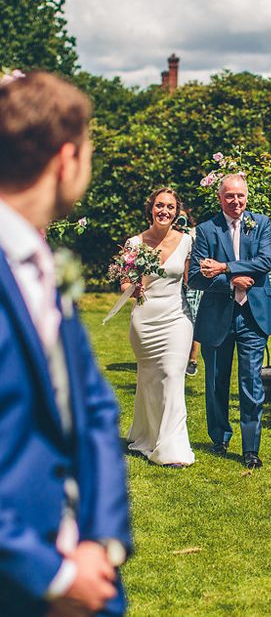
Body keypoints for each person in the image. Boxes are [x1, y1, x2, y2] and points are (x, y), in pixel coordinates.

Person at [0, 71, 131, 615]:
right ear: (66, 159)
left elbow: (96, 408)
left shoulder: (43, 264)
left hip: (87, 572)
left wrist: (100, 542)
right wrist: (53, 576)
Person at [188, 174, 271, 470]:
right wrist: (231, 281)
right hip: (218, 315)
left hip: (253, 315)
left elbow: (265, 262)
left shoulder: (261, 223)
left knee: (251, 381)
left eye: (240, 196)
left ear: (247, 196)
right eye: (229, 196)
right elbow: (198, 277)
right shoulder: (206, 230)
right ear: (220, 198)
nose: (235, 201)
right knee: (216, 380)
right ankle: (220, 436)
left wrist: (224, 267)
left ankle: (251, 447)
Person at [125, 188, 195, 468]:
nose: (164, 211)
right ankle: (146, 435)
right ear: (150, 208)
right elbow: (125, 284)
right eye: (159, 206)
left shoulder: (188, 241)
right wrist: (133, 287)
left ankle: (172, 447)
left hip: (177, 317)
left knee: (172, 374)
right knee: (151, 378)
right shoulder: (134, 242)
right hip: (145, 320)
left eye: (170, 206)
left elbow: (194, 279)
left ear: (177, 211)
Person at [176, 208, 203, 376]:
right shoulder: (168, 235)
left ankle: (192, 360)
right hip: (174, 284)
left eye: (183, 218)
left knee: (193, 320)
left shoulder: (194, 234)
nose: (180, 222)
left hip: (192, 285)